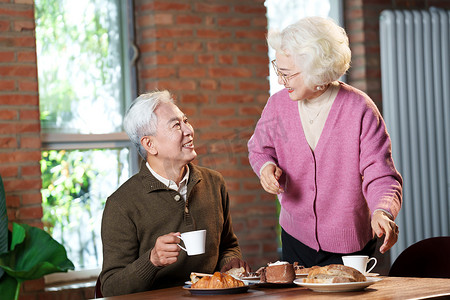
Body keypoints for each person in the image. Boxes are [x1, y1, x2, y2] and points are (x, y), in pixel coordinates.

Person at [247, 16, 403, 268]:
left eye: (287, 74)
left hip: (351, 244)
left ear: (316, 69)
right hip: (295, 237)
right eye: (279, 70)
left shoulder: (359, 109)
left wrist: (382, 211)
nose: (280, 81)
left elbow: (381, 174)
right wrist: (265, 167)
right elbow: (259, 148)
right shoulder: (278, 106)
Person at [100, 90, 248, 296]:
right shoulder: (121, 204)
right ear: (149, 144)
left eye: (185, 120)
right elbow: (111, 287)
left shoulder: (214, 183)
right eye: (176, 125)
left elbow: (228, 245)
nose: (189, 130)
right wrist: (152, 260)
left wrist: (230, 262)